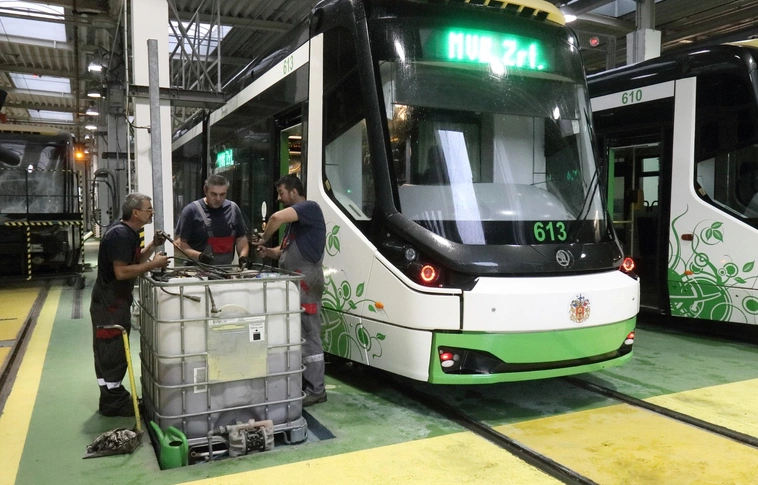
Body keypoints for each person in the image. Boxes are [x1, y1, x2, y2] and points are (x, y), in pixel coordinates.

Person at [90, 193, 169, 417]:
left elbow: (134, 260)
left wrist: (153, 245)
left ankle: (113, 398)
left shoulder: (129, 232)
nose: (152, 212)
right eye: (148, 209)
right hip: (109, 305)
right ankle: (113, 403)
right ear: (135, 212)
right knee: (111, 353)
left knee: (116, 352)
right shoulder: (120, 235)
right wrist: (154, 264)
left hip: (116, 302)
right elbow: (122, 272)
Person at [254, 174, 327, 406]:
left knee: (309, 333)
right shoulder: (297, 224)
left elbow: (275, 218)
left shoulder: (310, 208)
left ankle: (316, 389)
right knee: (297, 333)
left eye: (281, 192)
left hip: (306, 281)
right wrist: (269, 252)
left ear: (294, 191)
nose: (279, 198)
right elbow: (285, 252)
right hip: (296, 282)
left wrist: (263, 238)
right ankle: (304, 383)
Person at [174, 174, 250, 266]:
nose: (218, 199)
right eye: (213, 194)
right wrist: (200, 256)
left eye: (222, 194)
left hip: (226, 270)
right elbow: (179, 244)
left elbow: (241, 238)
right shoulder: (191, 211)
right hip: (196, 270)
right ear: (205, 190)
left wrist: (243, 257)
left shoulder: (233, 209)